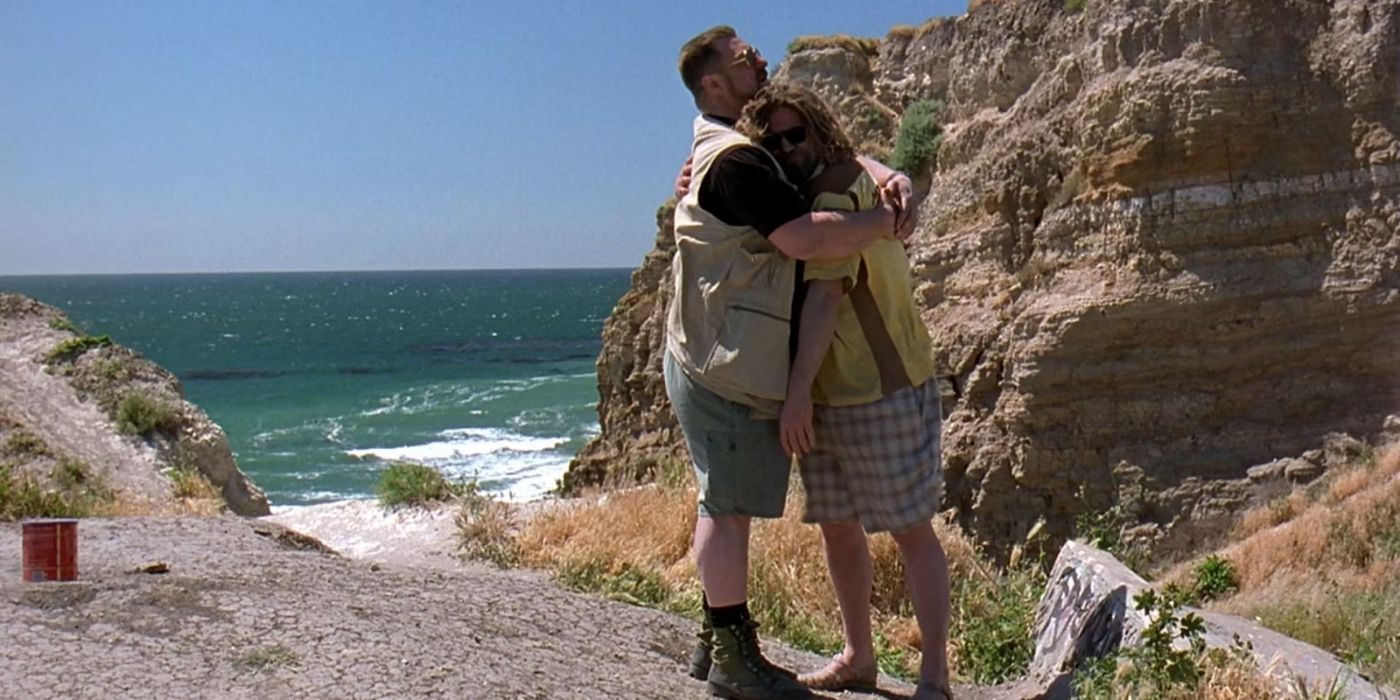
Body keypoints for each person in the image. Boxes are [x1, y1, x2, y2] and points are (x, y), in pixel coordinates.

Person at [668, 26, 917, 700]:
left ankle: (714, 640)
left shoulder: (727, 152)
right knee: (726, 507)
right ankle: (730, 655)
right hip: (723, 362)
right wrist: (884, 223)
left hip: (708, 352)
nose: (757, 59)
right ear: (714, 83)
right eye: (742, 58)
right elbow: (806, 237)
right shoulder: (736, 163)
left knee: (720, 500)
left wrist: (882, 171)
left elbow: (815, 159)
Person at [736, 83, 953, 700]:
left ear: (818, 129)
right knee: (838, 526)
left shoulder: (835, 192)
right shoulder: (836, 183)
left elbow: (827, 297)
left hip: (874, 387)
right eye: (772, 140)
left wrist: (796, 392)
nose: (786, 147)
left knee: (910, 532)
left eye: (795, 134)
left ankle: (933, 676)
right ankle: (860, 656)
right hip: (839, 391)